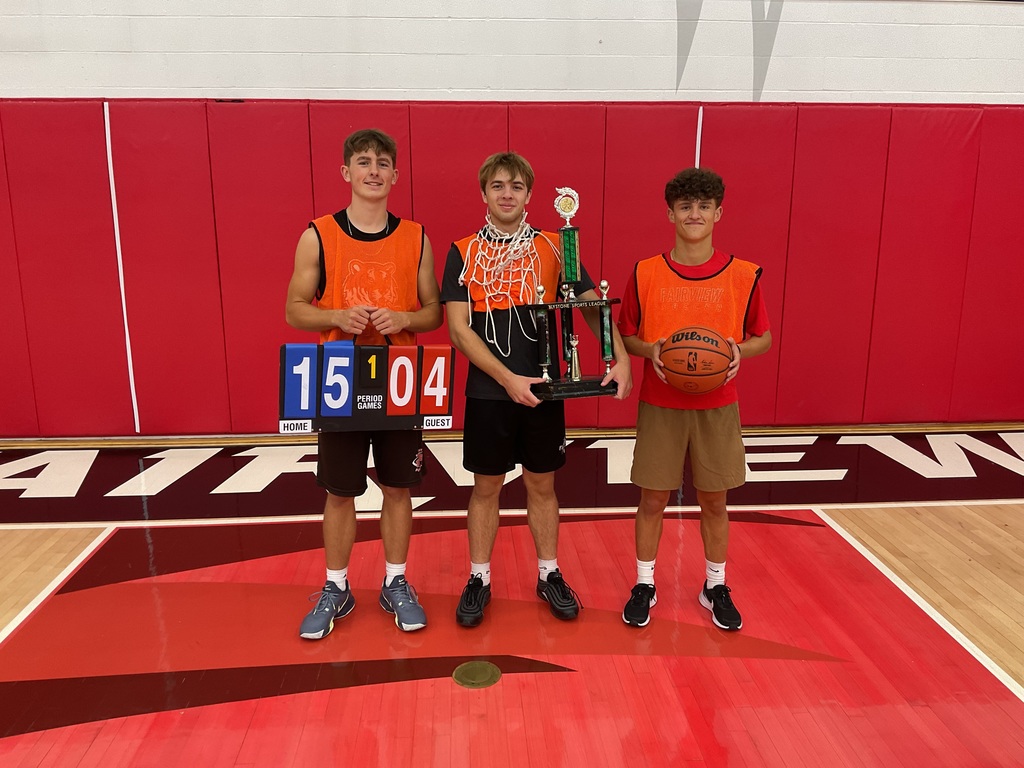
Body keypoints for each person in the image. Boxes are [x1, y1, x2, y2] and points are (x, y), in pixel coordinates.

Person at [441, 151, 633, 627]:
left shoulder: (554, 246)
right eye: (498, 185)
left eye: (517, 186)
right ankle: (479, 577)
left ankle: (549, 573)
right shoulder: (463, 251)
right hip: (490, 392)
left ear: (529, 194)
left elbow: (590, 304)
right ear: (484, 193)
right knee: (486, 488)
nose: (507, 194)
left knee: (542, 485)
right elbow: (459, 330)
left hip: (546, 389)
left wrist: (622, 358)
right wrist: (507, 378)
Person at [285, 129, 442, 639]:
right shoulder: (317, 234)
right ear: (346, 172)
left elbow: (434, 311)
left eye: (382, 163)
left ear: (395, 175)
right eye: (364, 161)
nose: (373, 170)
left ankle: (396, 582)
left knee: (398, 487)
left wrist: (405, 319)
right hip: (340, 376)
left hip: (398, 377)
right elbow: (294, 310)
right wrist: (336, 315)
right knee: (340, 491)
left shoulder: (416, 236)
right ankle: (336, 587)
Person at [617, 167, 771, 631]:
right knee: (652, 499)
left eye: (704, 206)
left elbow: (763, 337)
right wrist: (651, 349)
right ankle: (644, 583)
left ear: (718, 213)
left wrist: (739, 351)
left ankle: (715, 585)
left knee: (715, 502)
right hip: (660, 404)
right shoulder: (645, 272)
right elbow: (626, 334)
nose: (694, 214)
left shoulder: (742, 274)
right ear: (670, 214)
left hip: (717, 405)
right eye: (685, 206)